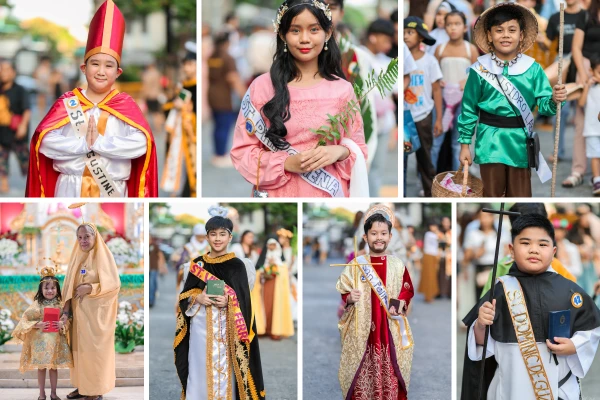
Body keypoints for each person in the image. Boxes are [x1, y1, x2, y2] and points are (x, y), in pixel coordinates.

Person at [230, 0, 368, 198]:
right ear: (282, 35)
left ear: (327, 33)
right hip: (277, 192)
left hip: (327, 193)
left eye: (314, 30)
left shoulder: (343, 90)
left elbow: (359, 149)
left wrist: (339, 151)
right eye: (295, 30)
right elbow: (242, 152)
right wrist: (285, 163)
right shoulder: (261, 87)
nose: (305, 39)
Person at [26, 0, 158, 198]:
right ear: (83, 68)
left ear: (118, 72)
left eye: (109, 66)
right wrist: (82, 145)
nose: (101, 72)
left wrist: (100, 143)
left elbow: (142, 143)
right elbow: (44, 141)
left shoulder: (125, 105)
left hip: (111, 188)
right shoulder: (69, 103)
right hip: (69, 187)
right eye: (95, 64)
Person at [461, 214, 600, 400]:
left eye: (542, 245)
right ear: (511, 249)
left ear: (554, 251)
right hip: (510, 388)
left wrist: (574, 345)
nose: (534, 250)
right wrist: (480, 325)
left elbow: (592, 330)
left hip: (557, 389)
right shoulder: (500, 290)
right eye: (525, 243)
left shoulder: (570, 290)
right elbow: (481, 346)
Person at [457, 2, 567, 197]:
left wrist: (554, 99)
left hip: (520, 142)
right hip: (489, 141)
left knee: (521, 198)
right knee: (491, 196)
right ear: (490, 35)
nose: (505, 35)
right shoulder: (479, 70)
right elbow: (468, 109)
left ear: (521, 35)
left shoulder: (533, 69)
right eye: (499, 30)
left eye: (512, 30)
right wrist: (465, 144)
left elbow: (545, 107)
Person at [174, 209, 265, 400]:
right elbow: (184, 296)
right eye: (213, 234)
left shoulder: (238, 266)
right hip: (201, 331)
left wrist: (230, 301)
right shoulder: (197, 265)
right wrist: (197, 298)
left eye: (222, 234)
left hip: (228, 331)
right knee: (199, 369)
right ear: (206, 237)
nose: (217, 239)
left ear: (230, 237)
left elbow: (245, 302)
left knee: (228, 372)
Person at [336, 207, 414, 399]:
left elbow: (407, 288)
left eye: (383, 233)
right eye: (374, 233)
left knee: (391, 364)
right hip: (363, 328)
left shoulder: (397, 264)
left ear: (390, 236)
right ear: (365, 236)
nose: (378, 238)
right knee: (362, 367)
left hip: (388, 327)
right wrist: (349, 298)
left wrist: (401, 302)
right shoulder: (356, 265)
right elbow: (344, 289)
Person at [61, 223, 121, 400]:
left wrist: (91, 288)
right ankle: (83, 387)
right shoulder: (76, 256)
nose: (83, 240)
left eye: (87, 236)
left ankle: (95, 390)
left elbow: (114, 285)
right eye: (79, 237)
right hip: (79, 316)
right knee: (80, 354)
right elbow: (68, 285)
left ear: (95, 236)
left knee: (95, 353)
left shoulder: (103, 256)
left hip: (96, 318)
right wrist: (65, 311)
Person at [12, 265, 72, 400]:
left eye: (53, 288)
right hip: (41, 342)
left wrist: (62, 323)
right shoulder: (37, 304)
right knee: (41, 368)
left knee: (53, 368)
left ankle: (54, 393)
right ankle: (41, 393)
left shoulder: (60, 304)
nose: (50, 291)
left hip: (55, 341)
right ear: (41, 289)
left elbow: (68, 320)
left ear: (57, 289)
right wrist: (37, 324)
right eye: (46, 288)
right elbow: (24, 320)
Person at [434, 11, 478, 171]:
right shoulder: (440, 49)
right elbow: (434, 75)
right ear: (444, 27)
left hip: (463, 103)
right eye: (449, 24)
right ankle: (429, 182)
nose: (453, 28)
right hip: (442, 101)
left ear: (465, 27)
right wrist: (439, 80)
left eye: (457, 24)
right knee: (436, 141)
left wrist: (467, 81)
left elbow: (477, 75)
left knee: (458, 143)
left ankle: (457, 181)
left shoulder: (470, 49)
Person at [404, 16, 443, 197]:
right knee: (403, 157)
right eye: (403, 32)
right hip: (405, 115)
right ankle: (403, 191)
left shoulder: (430, 61)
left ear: (420, 37)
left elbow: (436, 90)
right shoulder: (401, 60)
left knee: (425, 158)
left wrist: (439, 119)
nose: (405, 36)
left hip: (424, 115)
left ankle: (430, 193)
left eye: (410, 32)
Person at [162, 42, 198, 197]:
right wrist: (174, 106)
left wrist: (184, 109)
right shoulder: (181, 86)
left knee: (191, 168)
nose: (186, 68)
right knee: (178, 166)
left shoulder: (196, 86)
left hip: (191, 135)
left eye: (190, 64)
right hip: (178, 133)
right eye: (185, 65)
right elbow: (168, 107)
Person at [207, 32, 247, 168]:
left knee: (217, 125)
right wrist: (245, 95)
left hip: (211, 94)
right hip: (223, 96)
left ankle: (216, 154)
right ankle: (221, 154)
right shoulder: (228, 57)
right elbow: (233, 78)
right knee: (224, 125)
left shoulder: (212, 56)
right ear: (227, 43)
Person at [0, 60, 31, 194]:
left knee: (25, 162)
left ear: (13, 72)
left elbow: (27, 110)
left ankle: (33, 185)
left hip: (17, 132)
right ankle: (4, 184)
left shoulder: (20, 90)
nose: (3, 72)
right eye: (1, 69)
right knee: (1, 158)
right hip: (2, 132)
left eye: (7, 69)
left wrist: (23, 126)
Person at [257, 238, 294, 339]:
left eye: (274, 245)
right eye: (270, 245)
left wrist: (275, 266)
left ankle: (275, 330)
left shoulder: (279, 258)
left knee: (276, 306)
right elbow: (258, 268)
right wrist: (264, 270)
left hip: (277, 286)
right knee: (265, 306)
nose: (272, 247)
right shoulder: (264, 257)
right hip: (265, 285)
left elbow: (283, 270)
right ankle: (263, 328)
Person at [577, 57, 600, 195]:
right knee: (595, 155)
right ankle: (597, 179)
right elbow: (581, 103)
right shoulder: (590, 86)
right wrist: (587, 86)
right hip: (591, 128)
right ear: (591, 71)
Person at [175, 223, 210, 293]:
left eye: (203, 236)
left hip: (206, 278)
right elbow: (182, 262)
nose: (201, 238)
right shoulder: (188, 247)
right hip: (190, 276)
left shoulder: (209, 247)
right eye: (199, 236)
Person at [419, 218, 442, 302]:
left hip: (432, 256)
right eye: (432, 226)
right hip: (429, 256)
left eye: (435, 226)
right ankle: (428, 296)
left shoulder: (431, 234)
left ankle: (430, 295)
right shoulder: (429, 234)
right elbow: (439, 238)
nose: (434, 227)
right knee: (429, 276)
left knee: (432, 276)